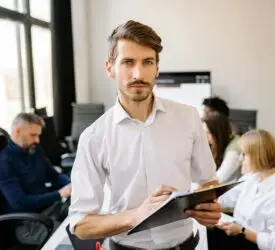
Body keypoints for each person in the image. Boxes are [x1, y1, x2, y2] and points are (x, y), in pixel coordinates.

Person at [69, 20, 221, 249]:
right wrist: (136, 215)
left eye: (147, 62)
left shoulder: (188, 118)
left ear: (157, 68)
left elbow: (208, 182)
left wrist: (208, 208)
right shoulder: (94, 137)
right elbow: (80, 224)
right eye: (128, 62)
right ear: (110, 68)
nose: (138, 73)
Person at [208, 129, 275, 250]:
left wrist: (242, 231)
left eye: (244, 154)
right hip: (236, 235)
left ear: (258, 156)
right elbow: (227, 197)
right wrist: (204, 198)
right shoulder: (253, 177)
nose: (240, 159)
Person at [0, 113, 72, 244]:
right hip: (27, 224)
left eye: (38, 135)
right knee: (72, 238)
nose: (37, 140)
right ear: (17, 131)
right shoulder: (4, 162)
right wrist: (59, 194)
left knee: (86, 216)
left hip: (48, 210)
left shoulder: (34, 149)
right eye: (33, 135)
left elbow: (54, 176)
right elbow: (20, 202)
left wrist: (73, 185)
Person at [202, 111, 242, 183]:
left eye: (208, 133)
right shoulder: (221, 143)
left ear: (218, 133)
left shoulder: (233, 151)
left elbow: (218, 179)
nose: (205, 137)